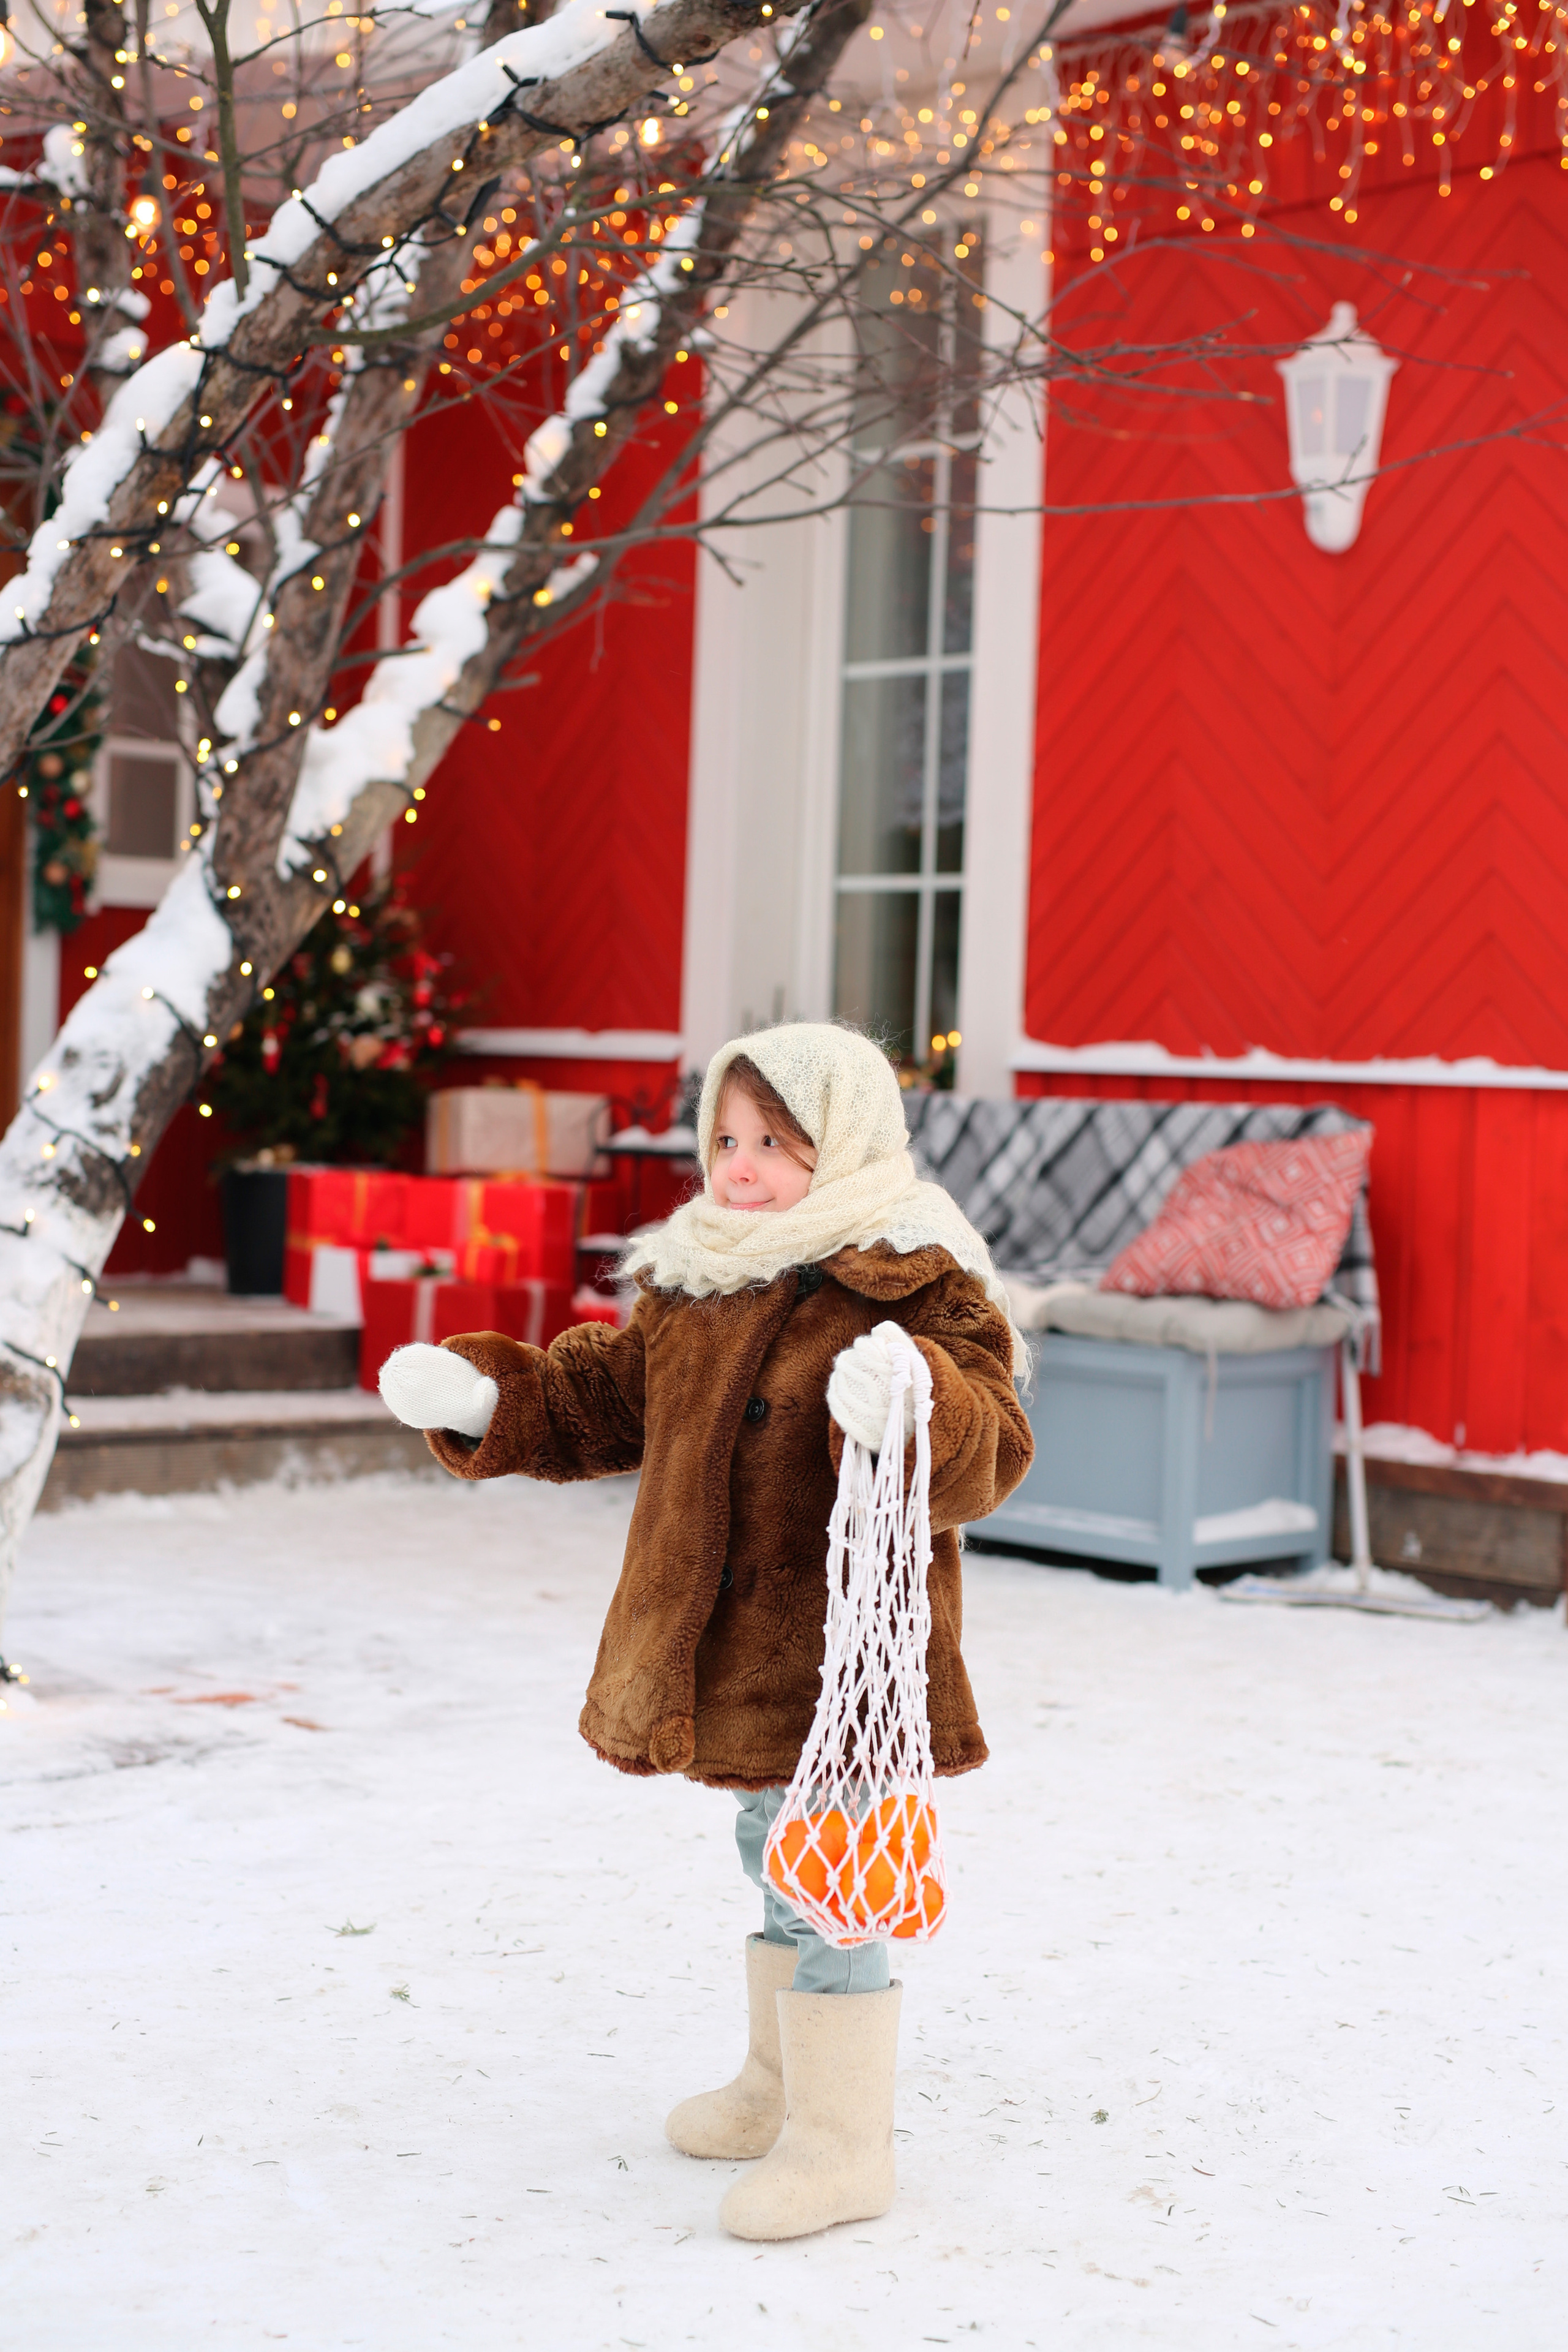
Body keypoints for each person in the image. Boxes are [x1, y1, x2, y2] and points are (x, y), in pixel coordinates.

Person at [379, 1023, 1033, 2241]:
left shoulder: (911, 1272)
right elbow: (611, 1398)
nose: (739, 1167)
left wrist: (915, 1406)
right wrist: (493, 1400)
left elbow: (990, 1433)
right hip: (730, 1658)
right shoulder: (701, 1277)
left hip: (846, 1655)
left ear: (841, 1145)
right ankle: (779, 2083)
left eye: (774, 1145)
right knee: (764, 1845)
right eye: (725, 1139)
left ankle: (842, 2144)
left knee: (838, 1876)